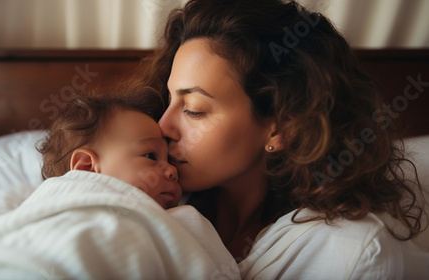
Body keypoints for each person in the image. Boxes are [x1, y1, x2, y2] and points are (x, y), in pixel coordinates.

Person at [121, 0, 428, 278]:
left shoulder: (352, 254)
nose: (163, 126)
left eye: (194, 110)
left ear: (283, 127)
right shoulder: (143, 192)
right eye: (169, 99)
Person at [0, 91, 240, 280]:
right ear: (85, 167)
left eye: (168, 159)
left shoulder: (180, 220)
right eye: (150, 156)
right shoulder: (41, 205)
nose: (171, 170)